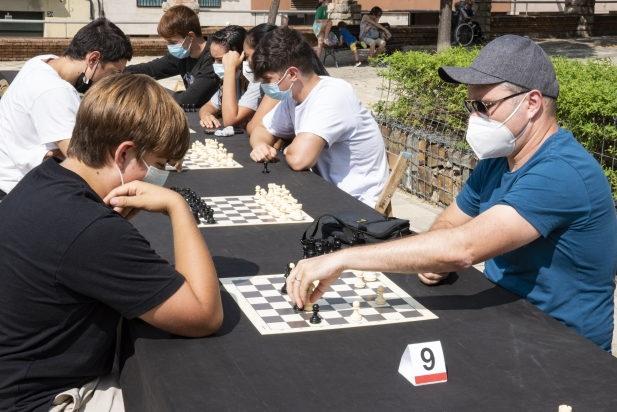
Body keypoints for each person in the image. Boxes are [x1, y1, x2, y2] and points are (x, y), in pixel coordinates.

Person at [285, 35, 617, 352]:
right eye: (470, 105)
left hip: (564, 346)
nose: (474, 117)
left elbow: (463, 248)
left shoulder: (560, 172)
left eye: (484, 106)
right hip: (507, 316)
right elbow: (449, 225)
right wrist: (436, 259)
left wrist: (342, 259)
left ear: (531, 103)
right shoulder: (500, 159)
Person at [0, 73, 224, 412]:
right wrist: (177, 207)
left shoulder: (45, 177)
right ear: (124, 154)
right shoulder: (90, 228)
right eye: (160, 165)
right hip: (41, 399)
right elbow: (205, 316)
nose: (161, 177)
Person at [249, 27, 389, 207]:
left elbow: (299, 159)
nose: (265, 86)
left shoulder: (332, 95)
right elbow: (260, 129)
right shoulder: (293, 95)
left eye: (268, 79)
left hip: (356, 205)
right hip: (323, 192)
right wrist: (260, 145)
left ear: (292, 74)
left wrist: (288, 148)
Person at [0, 18, 131, 200]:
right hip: (18, 190)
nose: (111, 82)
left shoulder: (43, 61)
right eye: (113, 73)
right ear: (93, 58)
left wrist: (55, 150)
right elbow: (82, 158)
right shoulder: (54, 90)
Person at [125, 5, 217, 107]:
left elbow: (190, 99)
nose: (169, 46)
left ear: (190, 36)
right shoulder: (183, 54)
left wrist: (151, 98)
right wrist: (116, 72)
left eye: (172, 42)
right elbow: (150, 69)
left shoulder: (215, 57)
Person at [198, 25, 258, 129]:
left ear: (241, 57)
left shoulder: (258, 83)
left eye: (221, 60)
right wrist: (206, 115)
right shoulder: (236, 79)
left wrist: (230, 69)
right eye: (212, 59)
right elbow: (209, 106)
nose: (215, 64)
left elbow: (230, 120)